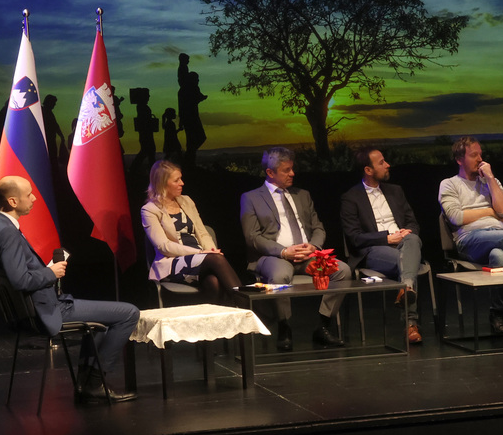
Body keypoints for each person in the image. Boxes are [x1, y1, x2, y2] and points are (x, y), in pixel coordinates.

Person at [0, 176, 138, 403]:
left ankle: (87, 385)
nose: (34, 198)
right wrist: (50, 273)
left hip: (32, 310)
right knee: (129, 313)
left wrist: (46, 270)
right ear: (13, 201)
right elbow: (19, 280)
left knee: (102, 323)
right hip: (44, 311)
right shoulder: (6, 232)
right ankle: (94, 382)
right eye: (28, 195)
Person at [240, 147, 352, 350]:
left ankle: (323, 326)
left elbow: (318, 228)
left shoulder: (303, 195)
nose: (292, 173)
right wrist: (283, 251)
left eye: (292, 168)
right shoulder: (251, 198)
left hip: (307, 256)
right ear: (270, 172)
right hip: (274, 257)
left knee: (342, 270)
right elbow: (252, 237)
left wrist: (313, 246)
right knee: (280, 275)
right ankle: (284, 328)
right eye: (286, 170)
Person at [438, 136, 503, 335]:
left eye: (481, 154)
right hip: (469, 240)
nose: (480, 159)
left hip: (496, 237)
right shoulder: (449, 184)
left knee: (498, 256)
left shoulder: (491, 182)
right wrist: (490, 212)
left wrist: (491, 179)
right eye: (473, 155)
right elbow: (457, 217)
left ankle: (497, 314)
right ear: (459, 160)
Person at [339, 148, 424, 345]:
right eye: (382, 163)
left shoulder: (396, 191)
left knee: (413, 240)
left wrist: (406, 233)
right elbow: (354, 237)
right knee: (408, 263)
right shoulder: (351, 197)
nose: (387, 165)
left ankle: (406, 288)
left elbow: (412, 223)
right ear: (368, 170)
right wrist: (387, 239)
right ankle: (411, 323)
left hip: (405, 243)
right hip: (375, 250)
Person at [140, 160, 242, 304]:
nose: (182, 183)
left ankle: (223, 314)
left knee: (214, 282)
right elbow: (164, 246)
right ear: (163, 183)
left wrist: (211, 250)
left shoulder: (187, 201)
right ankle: (246, 304)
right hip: (172, 263)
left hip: (201, 260)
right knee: (216, 259)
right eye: (176, 180)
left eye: (181, 179)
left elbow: (202, 232)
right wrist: (201, 253)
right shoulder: (150, 210)